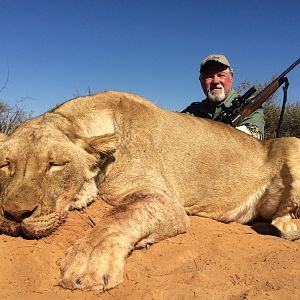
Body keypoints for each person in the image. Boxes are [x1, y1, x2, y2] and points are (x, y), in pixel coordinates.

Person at [182, 54, 265, 140]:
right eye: (209, 76)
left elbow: (253, 138)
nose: (215, 81)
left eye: (221, 75)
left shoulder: (249, 105)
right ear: (201, 81)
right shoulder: (192, 111)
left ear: (231, 78)